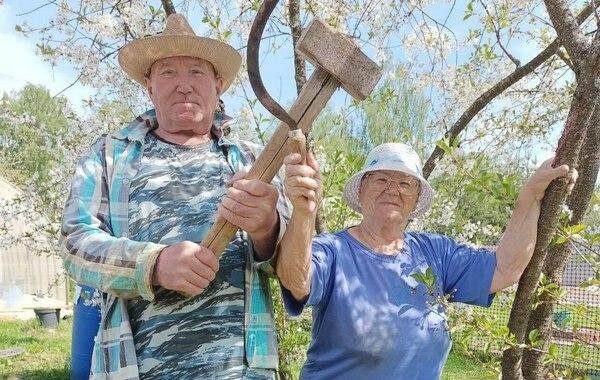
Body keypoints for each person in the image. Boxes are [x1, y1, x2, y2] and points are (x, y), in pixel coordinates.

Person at [60, 14, 289, 379]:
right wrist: (152, 264)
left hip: (243, 371)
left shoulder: (252, 160)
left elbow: (293, 269)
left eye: (196, 72)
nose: (183, 85)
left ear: (218, 85)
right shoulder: (108, 156)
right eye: (167, 73)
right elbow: (74, 247)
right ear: (149, 86)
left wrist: (267, 228)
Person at [277, 142, 577, 379]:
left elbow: (505, 268)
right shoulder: (333, 250)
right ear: (362, 190)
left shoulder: (435, 251)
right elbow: (296, 279)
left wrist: (531, 195)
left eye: (405, 183)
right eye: (381, 179)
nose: (392, 189)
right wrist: (304, 213)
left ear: (416, 197)